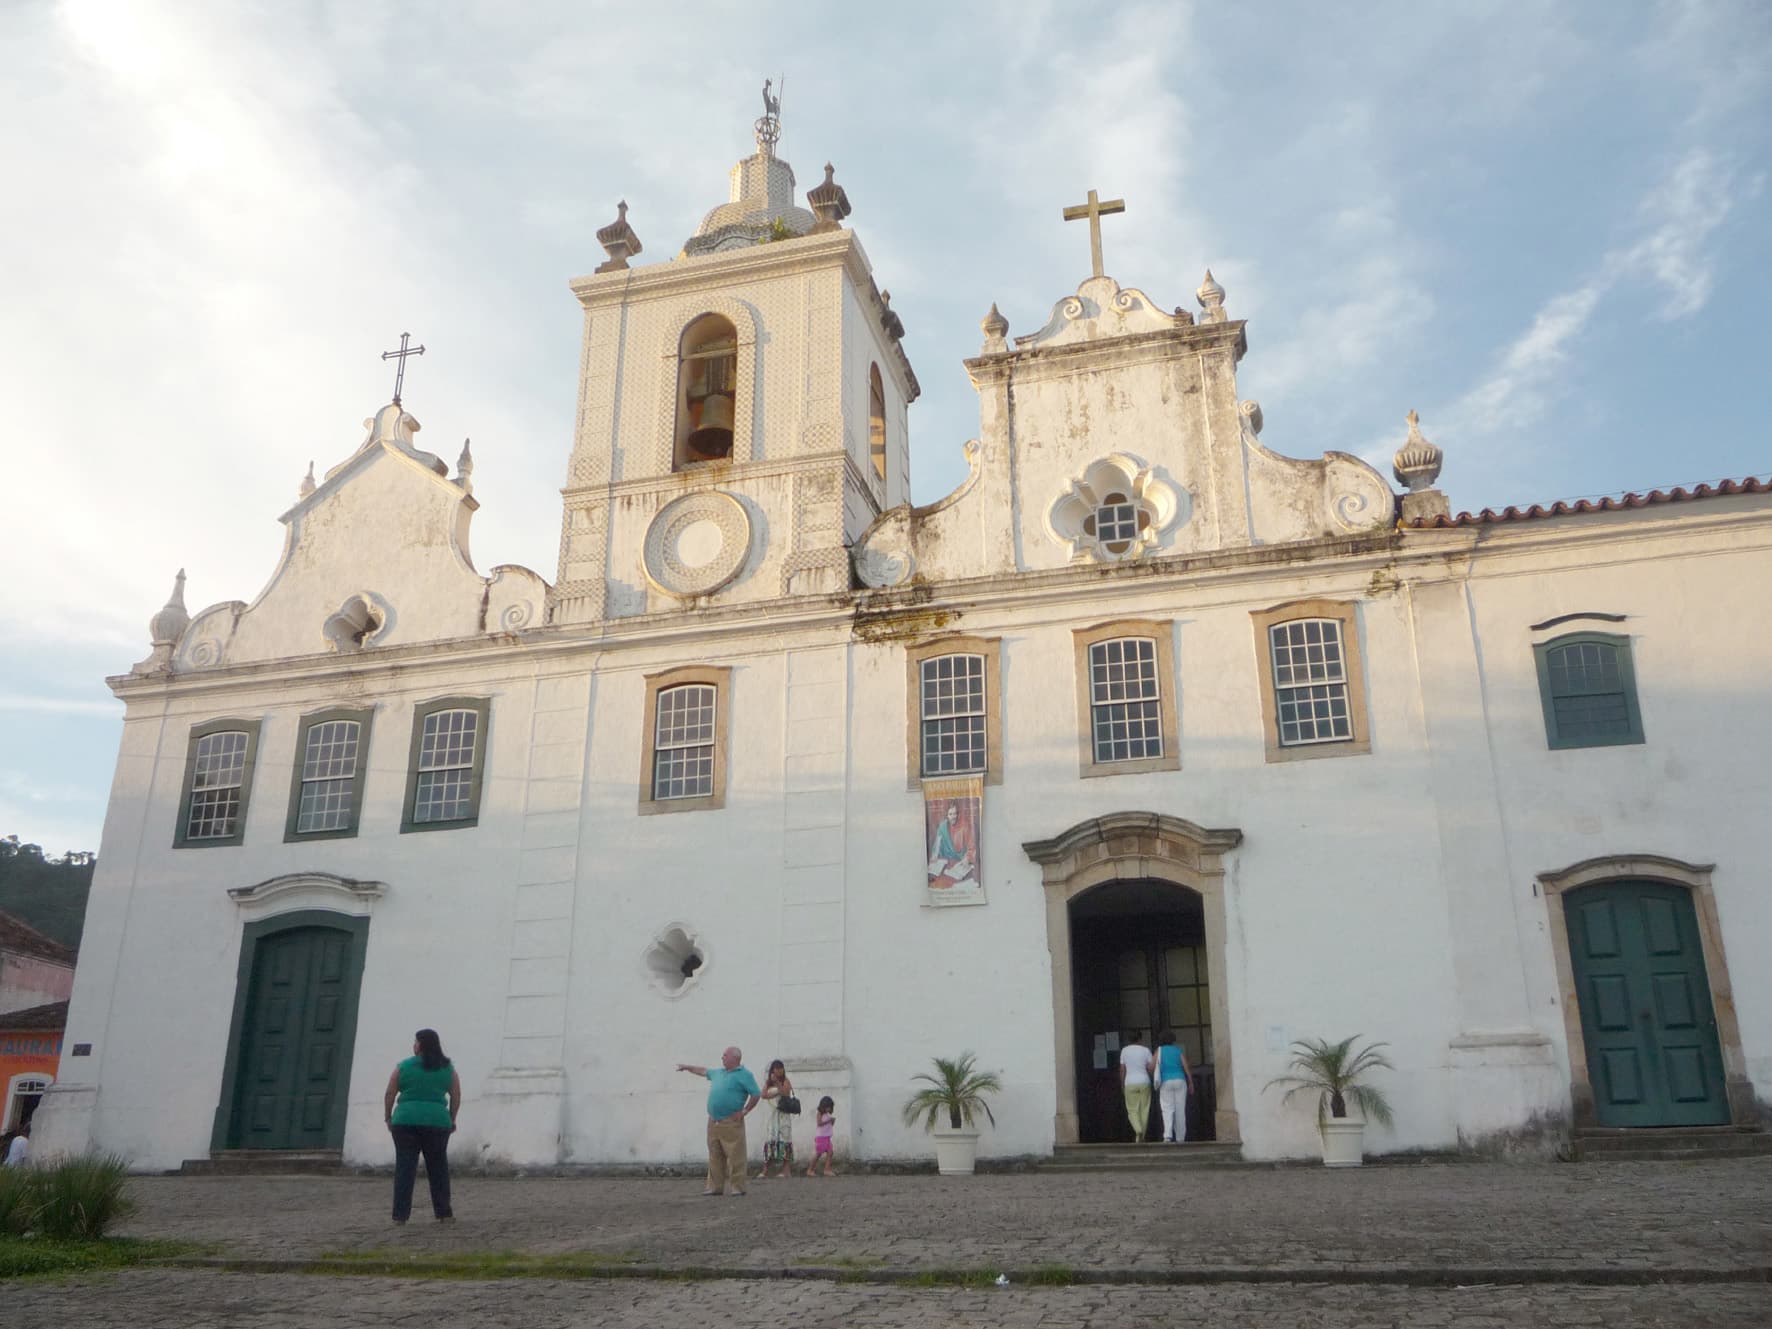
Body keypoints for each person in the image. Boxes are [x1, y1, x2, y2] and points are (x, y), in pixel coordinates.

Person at [384, 1028, 460, 1224]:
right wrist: (451, 1118)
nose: (414, 1045)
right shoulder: (448, 1068)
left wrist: (388, 1117)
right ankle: (443, 1212)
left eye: (416, 1041)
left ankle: (400, 1216)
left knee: (405, 1168)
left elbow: (390, 1093)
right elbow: (456, 1095)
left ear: (422, 1045)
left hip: (405, 1122)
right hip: (437, 1123)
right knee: (438, 1168)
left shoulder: (403, 1067)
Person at [676, 1046, 761, 1196]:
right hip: (713, 1120)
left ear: (734, 1058)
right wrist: (687, 1067)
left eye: (725, 1055)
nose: (722, 1058)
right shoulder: (718, 1072)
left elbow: (756, 1094)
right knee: (715, 1154)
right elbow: (703, 1071)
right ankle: (715, 1186)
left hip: (731, 1121)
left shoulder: (745, 1075)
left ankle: (737, 1187)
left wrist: (745, 1111)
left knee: (736, 1155)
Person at [1153, 1029, 1195, 1143]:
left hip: (1166, 1082)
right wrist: (1190, 1082)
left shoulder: (1159, 1050)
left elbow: (1152, 1066)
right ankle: (1181, 1137)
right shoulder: (1178, 1050)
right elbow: (1186, 1066)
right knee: (1180, 1110)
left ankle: (1167, 1136)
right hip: (1180, 1080)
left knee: (1167, 1109)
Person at [759, 1059, 797, 1179]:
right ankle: (765, 1170)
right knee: (770, 1141)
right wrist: (774, 1090)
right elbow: (763, 1095)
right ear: (773, 1070)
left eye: (781, 1068)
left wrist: (778, 1084)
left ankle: (786, 1170)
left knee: (785, 1141)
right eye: (777, 1069)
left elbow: (786, 1093)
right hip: (772, 1117)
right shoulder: (768, 1082)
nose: (779, 1071)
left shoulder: (786, 1081)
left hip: (783, 1116)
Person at [927, 801, 977, 890]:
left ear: (958, 814)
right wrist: (934, 856)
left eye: (955, 813)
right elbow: (937, 845)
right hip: (945, 865)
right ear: (947, 815)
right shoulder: (942, 827)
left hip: (960, 864)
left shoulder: (965, 826)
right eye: (950, 814)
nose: (953, 817)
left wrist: (968, 857)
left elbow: (971, 847)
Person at [1118, 1029, 1154, 1143]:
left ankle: (1137, 1130)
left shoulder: (1124, 1051)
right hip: (1144, 1081)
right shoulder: (1146, 1050)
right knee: (1144, 1109)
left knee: (1132, 1109)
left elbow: (1122, 1069)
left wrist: (1122, 1084)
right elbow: (1150, 1068)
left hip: (1130, 1082)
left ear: (1129, 1039)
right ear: (1140, 1038)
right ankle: (1142, 1134)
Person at [806, 1095, 838, 1177]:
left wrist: (832, 1121)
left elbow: (830, 1125)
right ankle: (810, 1170)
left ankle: (827, 1169)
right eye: (828, 1107)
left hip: (827, 1137)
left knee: (830, 1153)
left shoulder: (827, 1114)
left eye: (830, 1107)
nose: (829, 1109)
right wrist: (828, 1121)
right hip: (821, 1137)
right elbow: (819, 1123)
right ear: (823, 1106)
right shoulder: (819, 1113)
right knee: (818, 1154)